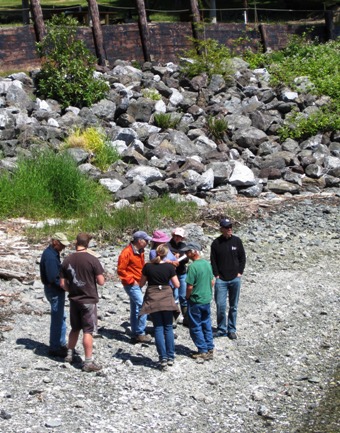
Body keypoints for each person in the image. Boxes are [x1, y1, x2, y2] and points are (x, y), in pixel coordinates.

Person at [60, 233, 105, 373]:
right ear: (88, 244)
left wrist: (71, 290)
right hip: (88, 299)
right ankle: (88, 362)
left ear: (76, 243)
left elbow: (62, 284)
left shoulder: (67, 260)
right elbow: (101, 281)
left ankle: (69, 354)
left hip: (74, 299)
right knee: (88, 330)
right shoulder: (92, 260)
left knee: (75, 328)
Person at [140, 244, 180, 370]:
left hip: (153, 297)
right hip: (166, 297)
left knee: (158, 327)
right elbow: (177, 284)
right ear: (166, 254)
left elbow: (141, 283)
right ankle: (170, 357)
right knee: (168, 327)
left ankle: (162, 357)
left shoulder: (147, 266)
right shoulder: (169, 267)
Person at [210, 218, 246, 340]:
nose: (229, 229)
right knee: (220, 305)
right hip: (221, 280)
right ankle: (221, 329)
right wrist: (216, 274)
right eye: (226, 227)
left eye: (230, 226)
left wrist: (240, 272)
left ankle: (231, 329)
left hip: (235, 278)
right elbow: (213, 261)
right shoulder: (216, 243)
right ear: (221, 229)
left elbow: (242, 258)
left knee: (233, 306)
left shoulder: (237, 241)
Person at [180, 242, 214, 360]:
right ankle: (210, 347)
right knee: (206, 323)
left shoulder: (193, 267)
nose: (186, 254)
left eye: (187, 251)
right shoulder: (207, 264)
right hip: (206, 299)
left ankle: (202, 350)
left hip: (196, 300)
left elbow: (189, 286)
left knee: (195, 326)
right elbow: (212, 281)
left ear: (193, 252)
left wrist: (187, 297)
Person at [117, 231, 153, 344]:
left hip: (137, 282)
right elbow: (120, 270)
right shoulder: (126, 252)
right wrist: (132, 281)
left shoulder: (140, 251)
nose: (147, 242)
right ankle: (140, 333)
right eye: (146, 240)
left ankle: (135, 332)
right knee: (143, 306)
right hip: (131, 284)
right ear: (139, 241)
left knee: (135, 308)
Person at [40, 232, 70, 357]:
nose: (63, 247)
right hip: (54, 290)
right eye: (62, 244)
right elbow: (54, 278)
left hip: (52, 289)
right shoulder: (51, 257)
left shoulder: (51, 253)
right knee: (57, 318)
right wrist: (66, 286)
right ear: (55, 242)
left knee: (61, 316)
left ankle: (60, 343)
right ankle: (55, 347)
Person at [167, 227, 189, 325]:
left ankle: (186, 316)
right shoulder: (167, 245)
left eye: (179, 237)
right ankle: (174, 316)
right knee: (174, 295)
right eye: (176, 236)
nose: (177, 238)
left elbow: (186, 259)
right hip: (172, 274)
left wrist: (179, 256)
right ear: (173, 235)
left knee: (183, 295)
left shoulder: (183, 245)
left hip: (182, 273)